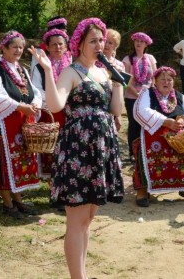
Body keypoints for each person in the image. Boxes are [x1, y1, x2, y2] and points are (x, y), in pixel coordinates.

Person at [30, 17, 124, 279]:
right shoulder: (71, 72)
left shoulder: (103, 72)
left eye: (101, 40)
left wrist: (116, 81)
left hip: (100, 149)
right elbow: (57, 104)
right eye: (93, 41)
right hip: (78, 151)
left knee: (88, 219)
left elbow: (116, 110)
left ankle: (80, 275)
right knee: (76, 220)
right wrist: (48, 71)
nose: (99, 45)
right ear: (80, 44)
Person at [0, 30, 41, 219]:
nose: (18, 50)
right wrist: (20, 106)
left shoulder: (21, 69)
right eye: (14, 46)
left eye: (21, 47)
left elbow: (34, 90)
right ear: (4, 48)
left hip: (21, 121)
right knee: (5, 163)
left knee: (19, 161)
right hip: (2, 123)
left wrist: (36, 103)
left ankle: (18, 199)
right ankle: (7, 203)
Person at [133, 66, 184, 207]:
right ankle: (143, 190)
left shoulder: (179, 96)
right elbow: (141, 111)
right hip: (154, 136)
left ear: (173, 81)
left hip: (177, 137)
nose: (166, 82)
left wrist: (183, 119)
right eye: (162, 79)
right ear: (155, 81)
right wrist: (165, 122)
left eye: (169, 80)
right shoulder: (147, 93)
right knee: (144, 152)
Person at [31, 28, 71, 179]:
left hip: (69, 112)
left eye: (60, 44)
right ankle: (53, 182)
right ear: (46, 47)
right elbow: (36, 89)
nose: (57, 47)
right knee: (52, 148)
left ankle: (68, 179)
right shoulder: (40, 66)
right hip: (50, 113)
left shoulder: (72, 66)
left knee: (68, 146)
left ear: (66, 46)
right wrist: (54, 99)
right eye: (53, 44)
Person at [123, 32, 157, 159]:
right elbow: (125, 80)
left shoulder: (151, 58)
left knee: (147, 122)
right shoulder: (127, 59)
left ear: (146, 44)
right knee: (133, 123)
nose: (138, 43)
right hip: (132, 97)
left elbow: (155, 76)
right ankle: (133, 152)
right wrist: (137, 93)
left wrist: (152, 90)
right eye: (136, 40)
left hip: (148, 96)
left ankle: (147, 149)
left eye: (141, 41)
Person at [99, 28, 125, 132]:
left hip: (113, 103)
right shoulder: (93, 61)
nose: (107, 44)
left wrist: (118, 115)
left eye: (110, 43)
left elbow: (121, 91)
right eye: (105, 41)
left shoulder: (119, 65)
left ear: (115, 46)